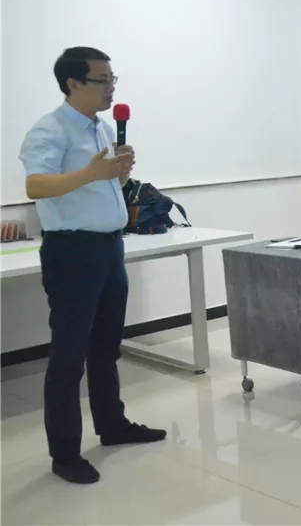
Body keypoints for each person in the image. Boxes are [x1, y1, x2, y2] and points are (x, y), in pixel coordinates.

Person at [18, 47, 165, 485]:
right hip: (72, 253)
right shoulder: (50, 129)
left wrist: (119, 175)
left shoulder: (100, 127)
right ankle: (64, 454)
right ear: (73, 83)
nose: (111, 88)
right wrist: (92, 174)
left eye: (113, 79)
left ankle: (112, 424)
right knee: (69, 356)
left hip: (109, 248)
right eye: (103, 80)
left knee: (105, 346)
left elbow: (99, 187)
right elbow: (36, 185)